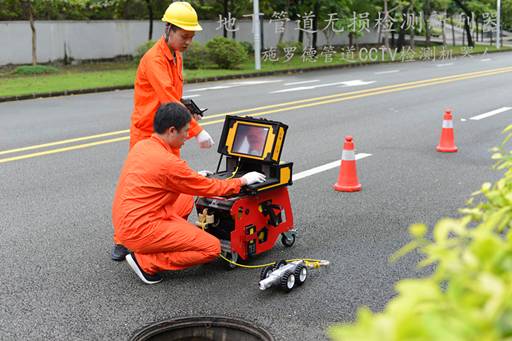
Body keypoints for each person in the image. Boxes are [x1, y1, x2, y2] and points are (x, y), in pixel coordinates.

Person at [112, 103, 266, 284]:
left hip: (126, 221)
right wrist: (243, 181)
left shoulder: (143, 146)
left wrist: (193, 176)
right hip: (140, 228)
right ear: (171, 130)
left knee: (185, 197)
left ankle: (164, 242)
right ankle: (147, 262)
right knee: (212, 248)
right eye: (185, 131)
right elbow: (213, 188)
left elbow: (165, 178)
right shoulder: (169, 163)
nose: (187, 136)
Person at [112, 2, 213, 260]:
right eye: (184, 36)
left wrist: (189, 110)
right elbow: (167, 96)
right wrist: (197, 130)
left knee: (174, 187)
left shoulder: (176, 55)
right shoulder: (155, 59)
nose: (188, 42)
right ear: (168, 29)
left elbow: (174, 97)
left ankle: (162, 233)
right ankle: (122, 241)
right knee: (137, 188)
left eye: (191, 37)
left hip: (169, 132)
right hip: (148, 133)